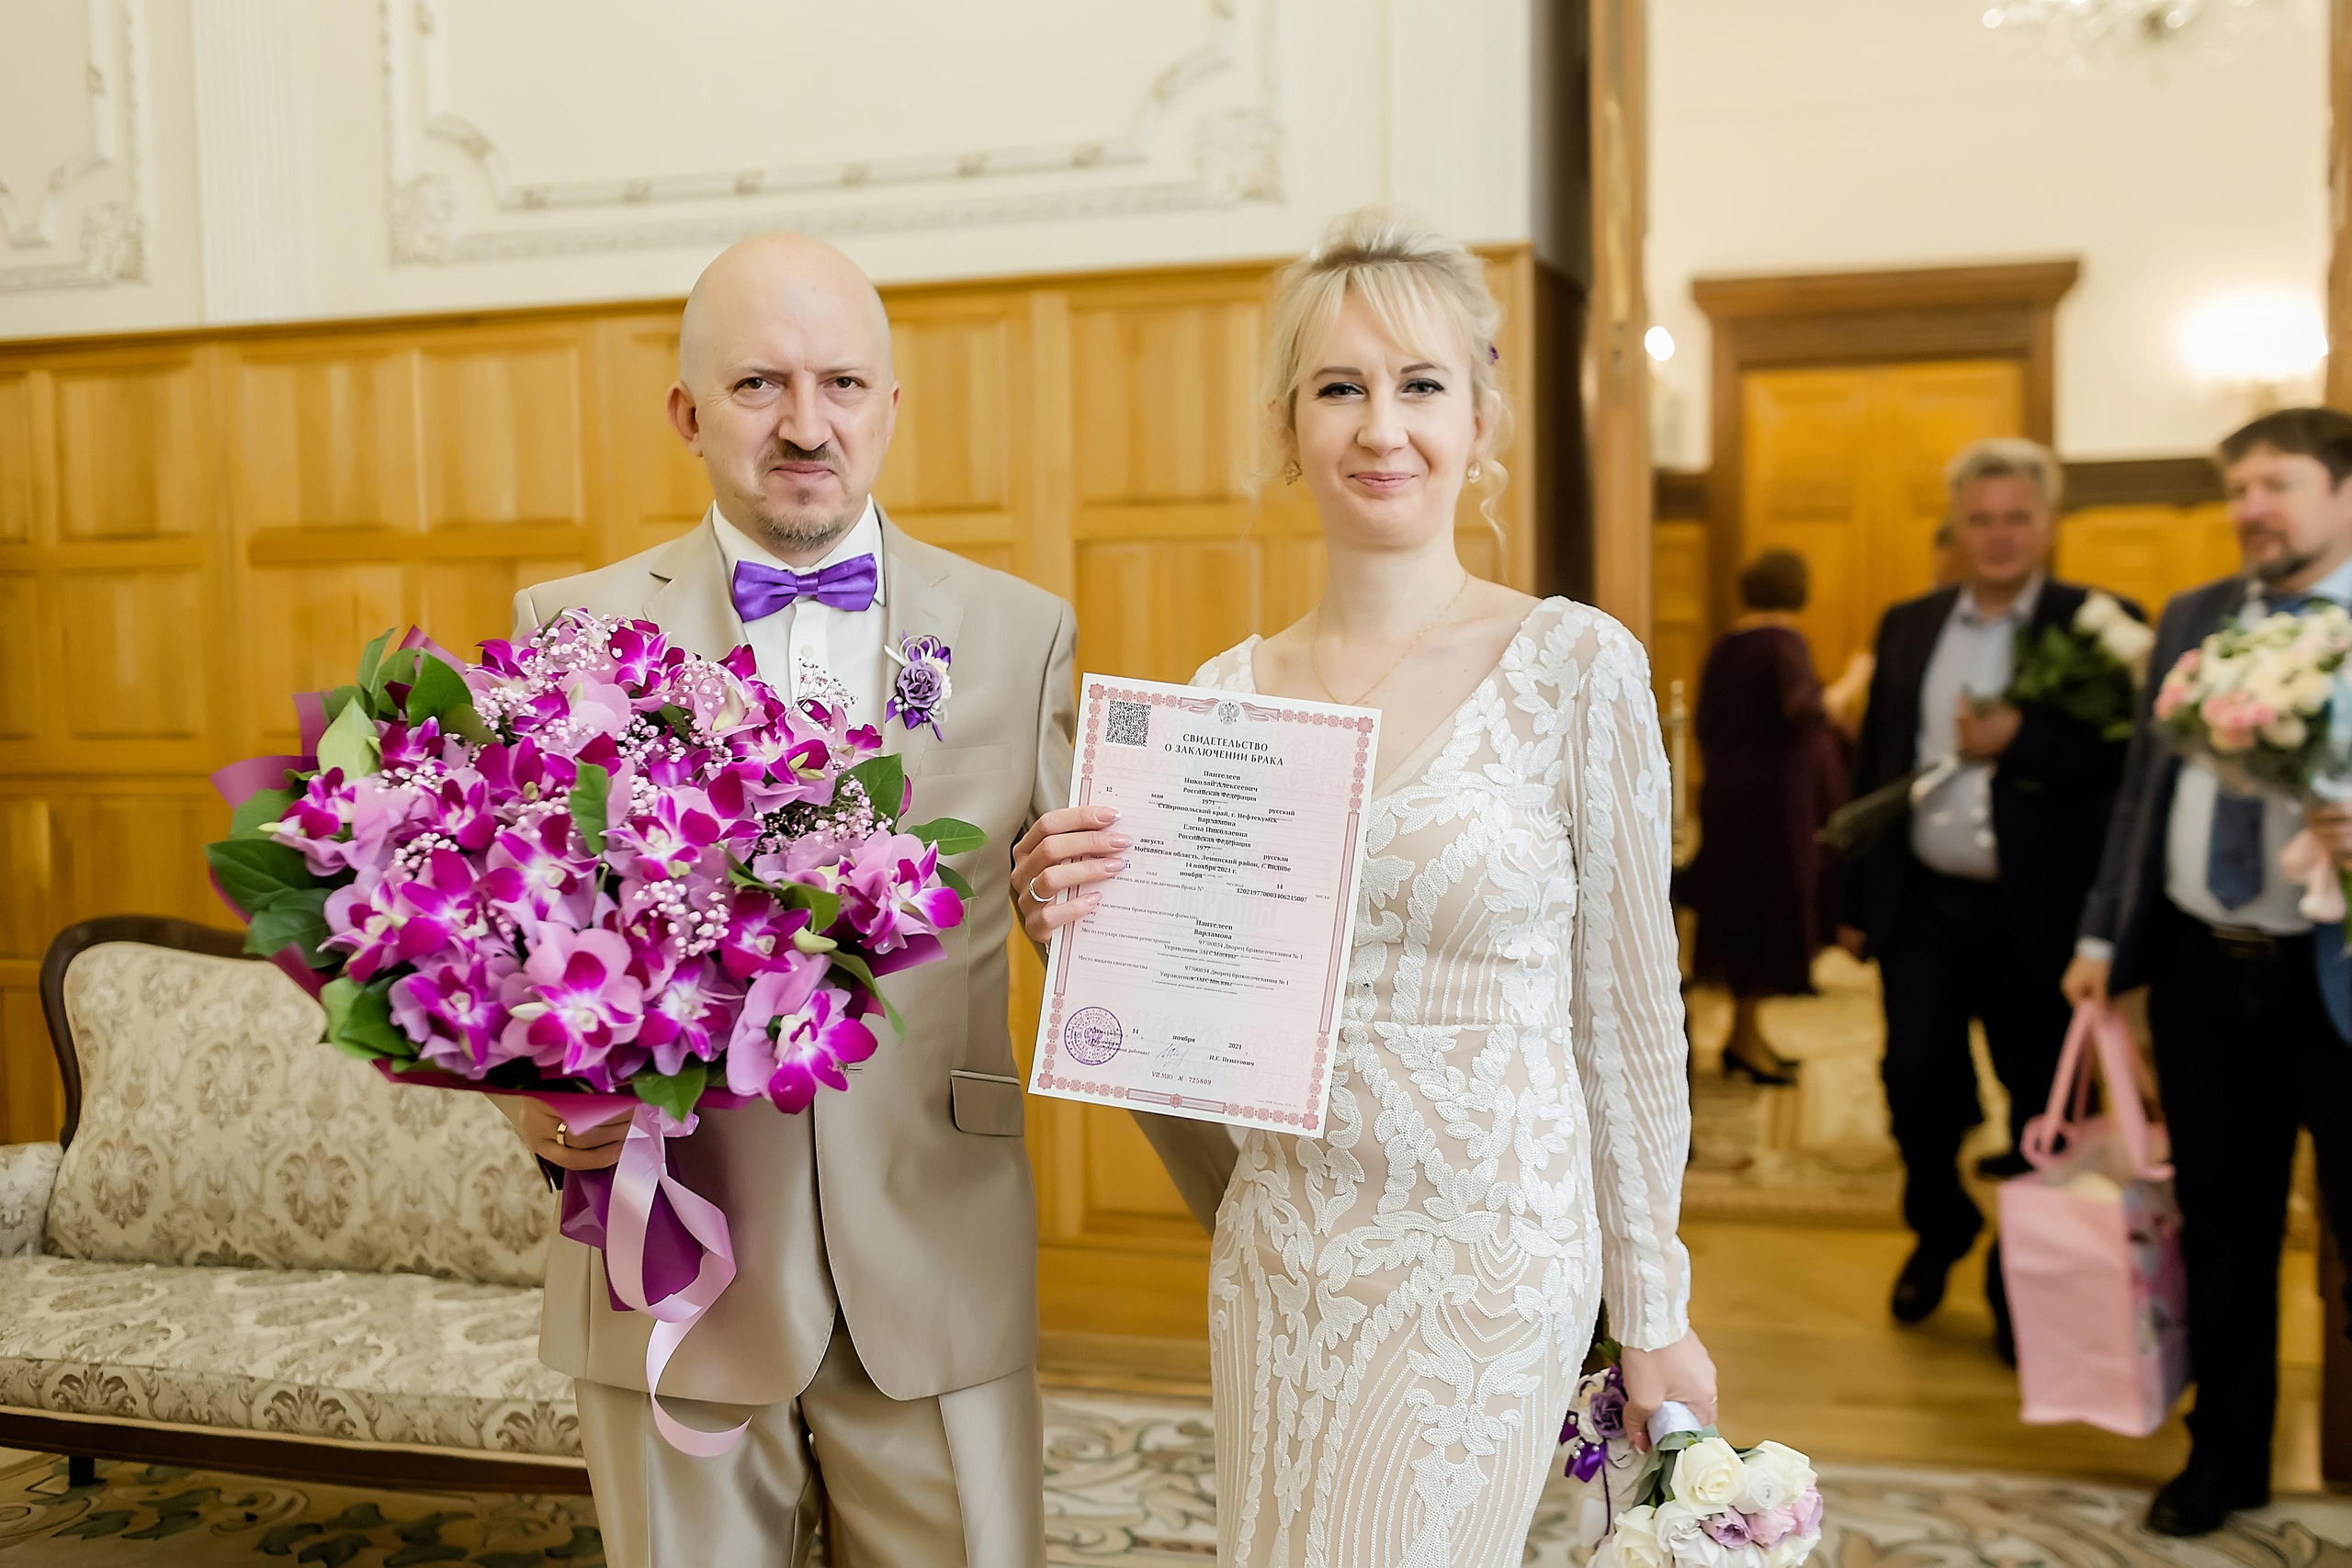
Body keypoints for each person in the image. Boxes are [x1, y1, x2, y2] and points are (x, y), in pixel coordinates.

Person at [497, 233, 1117, 1567]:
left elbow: (1096, 946)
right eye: (759, 385)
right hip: (676, 1263)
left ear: (891, 404)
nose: (805, 424)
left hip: (939, 1244)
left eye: (843, 382)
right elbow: (514, 942)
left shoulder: (1027, 631)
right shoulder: (573, 629)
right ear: (688, 412)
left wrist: (1088, 921)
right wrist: (532, 1096)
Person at [1120, 207, 1713, 1566]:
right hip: (1282, 1242)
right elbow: (1190, 1023)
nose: (1382, 426)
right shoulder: (1222, 699)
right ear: (1289, 430)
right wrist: (1096, 921)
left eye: (1420, 384)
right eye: (1341, 387)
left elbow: (1629, 1013)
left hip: (1489, 1250)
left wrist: (1654, 1302)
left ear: (1482, 418)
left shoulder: (1577, 666)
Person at [2065, 406, 2352, 1538]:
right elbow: (2143, 796)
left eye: (2274, 484)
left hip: (2333, 979)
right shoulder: (2193, 615)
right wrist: (2100, 942)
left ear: (2341, 492)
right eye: (2237, 489)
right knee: (2221, 1224)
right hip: (2196, 965)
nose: (2249, 509)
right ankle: (2223, 1457)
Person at [1838, 439, 2138, 1346]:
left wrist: (2024, 738)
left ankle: (2026, 1273)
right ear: (1957, 526)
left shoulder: (2101, 622)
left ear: (2048, 525)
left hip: (2043, 916)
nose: (1998, 536)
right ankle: (1941, 1226)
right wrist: (1857, 896)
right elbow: (1877, 760)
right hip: (1925, 903)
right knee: (1914, 1082)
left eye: (2017, 518)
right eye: (1980, 519)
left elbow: (2129, 761)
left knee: (2041, 1103)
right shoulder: (1909, 623)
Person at [1691, 549, 1843, 1084]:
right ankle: (1745, 1042)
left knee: (1740, 912)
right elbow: (1807, 711)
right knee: (1768, 913)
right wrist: (1852, 684)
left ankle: (1743, 1036)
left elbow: (1706, 725)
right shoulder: (1784, 641)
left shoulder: (1725, 645)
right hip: (1776, 805)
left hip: (1729, 800)